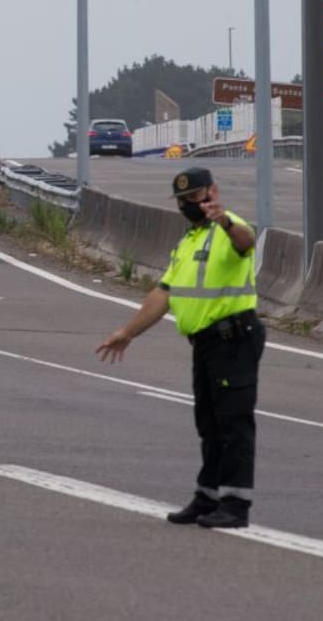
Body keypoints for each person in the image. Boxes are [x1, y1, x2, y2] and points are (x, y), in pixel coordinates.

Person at [96, 167, 264, 529]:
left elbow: (246, 241)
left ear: (213, 192)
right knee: (209, 424)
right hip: (205, 343)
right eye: (183, 201)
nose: (191, 204)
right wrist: (128, 332)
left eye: (197, 196)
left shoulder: (226, 226)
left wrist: (224, 221)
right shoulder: (188, 242)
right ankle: (208, 496)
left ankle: (236, 505)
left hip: (233, 337)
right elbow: (163, 294)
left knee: (233, 423)